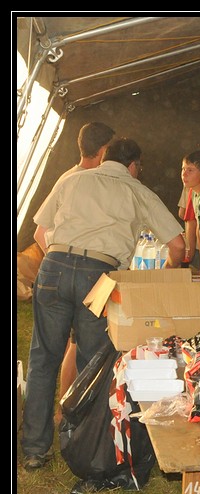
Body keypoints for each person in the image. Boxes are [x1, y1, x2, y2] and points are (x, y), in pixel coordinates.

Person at [22, 137, 185, 471]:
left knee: (43, 360)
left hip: (53, 266)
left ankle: (35, 450)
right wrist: (161, 278)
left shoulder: (73, 178)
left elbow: (41, 232)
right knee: (92, 363)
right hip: (98, 275)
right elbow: (179, 247)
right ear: (133, 165)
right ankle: (78, 445)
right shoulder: (138, 190)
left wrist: (61, 258)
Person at [42, 121, 116, 402]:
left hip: (61, 272)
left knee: (59, 351)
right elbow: (41, 231)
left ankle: (60, 415)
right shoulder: (76, 179)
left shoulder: (75, 178)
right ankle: (69, 408)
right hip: (77, 274)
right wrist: (64, 261)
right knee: (76, 349)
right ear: (104, 150)